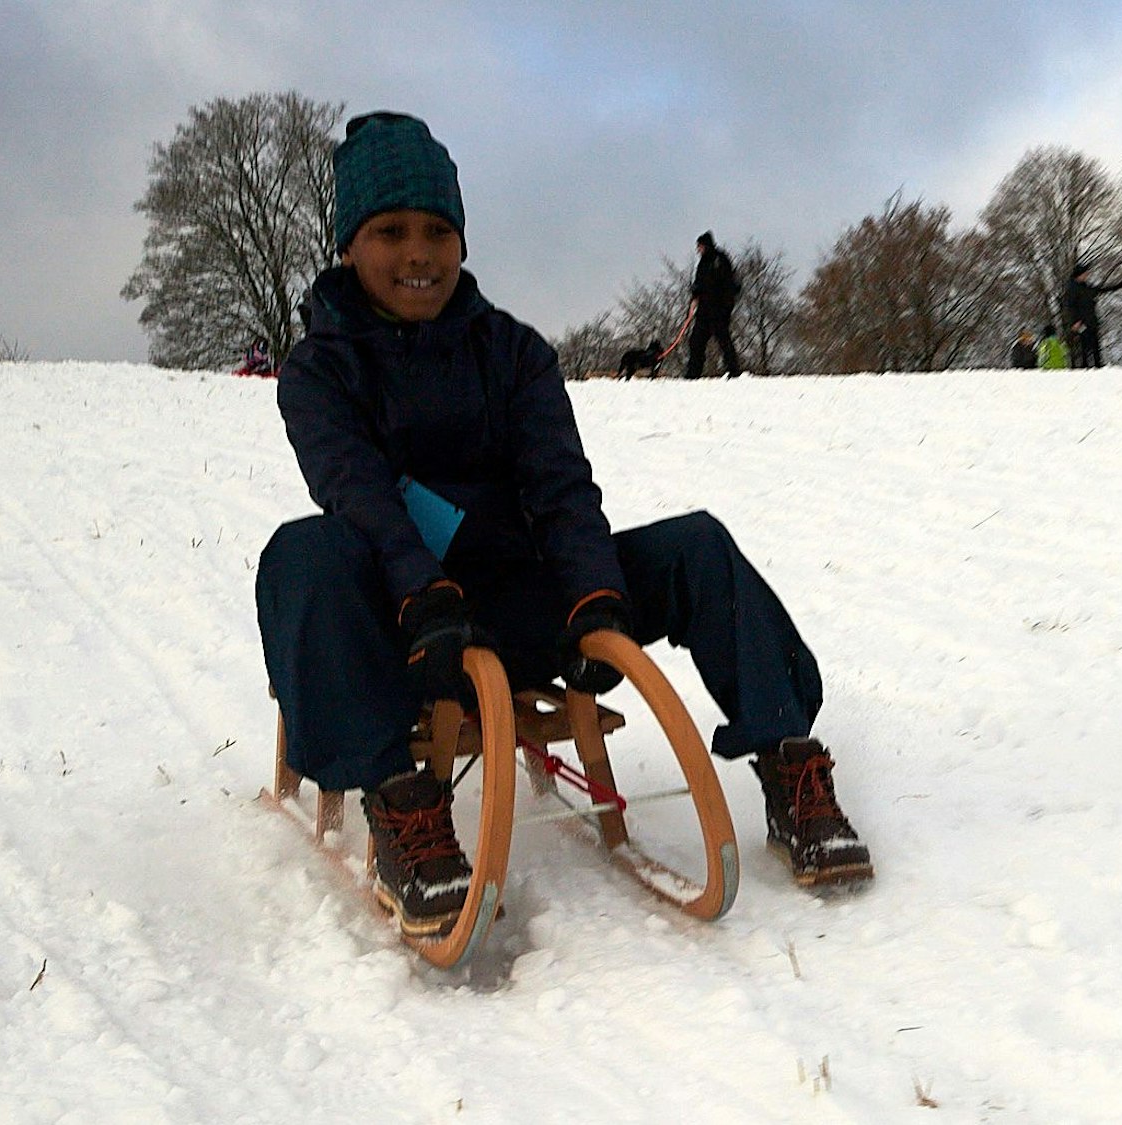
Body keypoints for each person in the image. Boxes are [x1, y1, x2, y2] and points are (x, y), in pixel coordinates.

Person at [256, 112, 871, 938]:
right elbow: (357, 493)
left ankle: (789, 759)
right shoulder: (320, 368)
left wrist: (596, 597)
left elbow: (560, 487)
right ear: (347, 245)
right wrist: (423, 594)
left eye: (438, 230)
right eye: (390, 230)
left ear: (462, 241)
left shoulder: (512, 352)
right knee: (304, 552)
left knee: (697, 543)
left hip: (529, 596)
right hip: (410, 625)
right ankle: (402, 803)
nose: (417, 253)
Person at [684, 230, 743, 379]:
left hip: (719, 310)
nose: (698, 250)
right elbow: (698, 283)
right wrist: (695, 295)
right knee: (696, 342)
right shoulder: (702, 263)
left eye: (700, 246)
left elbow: (729, 283)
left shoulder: (720, 259)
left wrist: (727, 306)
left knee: (724, 341)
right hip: (704, 310)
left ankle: (734, 371)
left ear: (706, 246)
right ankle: (693, 373)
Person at [1063, 260, 1122, 368]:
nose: (1087, 275)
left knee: (1095, 346)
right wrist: (1074, 322)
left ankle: (1098, 366)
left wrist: (1119, 285)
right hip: (1081, 322)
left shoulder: (1085, 287)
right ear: (1079, 274)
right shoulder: (1072, 288)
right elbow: (1070, 307)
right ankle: (1085, 367)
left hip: (1091, 321)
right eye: (1085, 273)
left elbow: (1102, 289)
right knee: (1085, 347)